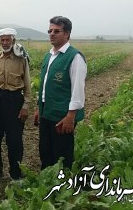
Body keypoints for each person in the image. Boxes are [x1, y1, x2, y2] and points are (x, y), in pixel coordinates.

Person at [34, 16, 87, 170]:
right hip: (46, 112)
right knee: (45, 150)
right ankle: (47, 182)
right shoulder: (49, 56)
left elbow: (77, 90)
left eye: (57, 31)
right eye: (50, 30)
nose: (52, 34)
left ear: (67, 34)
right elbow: (44, 86)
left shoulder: (75, 57)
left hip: (62, 116)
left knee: (61, 154)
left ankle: (62, 186)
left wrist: (71, 116)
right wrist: (39, 107)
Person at [0, 28, 31, 183]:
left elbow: (28, 85)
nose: (5, 43)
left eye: (7, 40)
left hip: (14, 100)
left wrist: (26, 106)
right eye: (2, 40)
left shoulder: (21, 59)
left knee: (14, 139)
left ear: (13, 41)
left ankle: (16, 173)